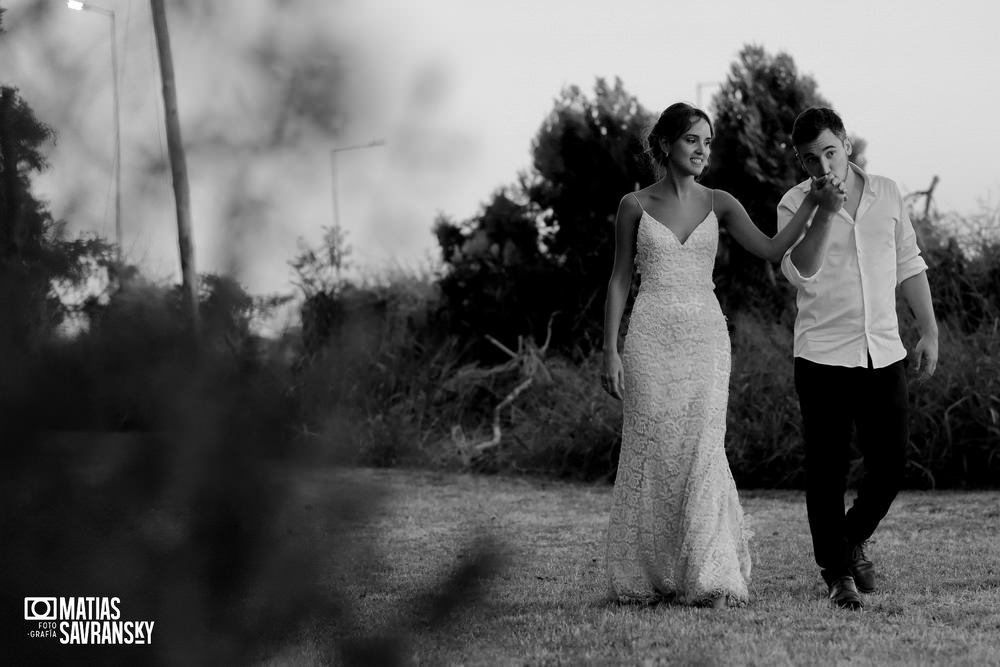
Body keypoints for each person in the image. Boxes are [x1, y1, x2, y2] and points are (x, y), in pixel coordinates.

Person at [601, 102, 844, 608]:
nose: (702, 151)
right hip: (648, 338)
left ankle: (710, 576)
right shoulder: (633, 205)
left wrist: (816, 207)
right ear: (667, 144)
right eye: (693, 140)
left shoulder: (721, 202)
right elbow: (621, 277)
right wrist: (610, 349)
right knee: (653, 451)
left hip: (707, 340)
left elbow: (774, 248)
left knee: (703, 449)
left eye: (708, 143)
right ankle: (649, 574)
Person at [776, 107, 939, 610]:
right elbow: (799, 272)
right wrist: (824, 209)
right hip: (822, 354)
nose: (822, 166)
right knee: (826, 470)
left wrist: (928, 329)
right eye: (810, 160)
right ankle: (837, 573)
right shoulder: (795, 203)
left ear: (845, 144)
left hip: (883, 350)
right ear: (801, 163)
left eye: (829, 152)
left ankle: (844, 544)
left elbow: (908, 262)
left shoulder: (887, 192)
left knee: (890, 469)